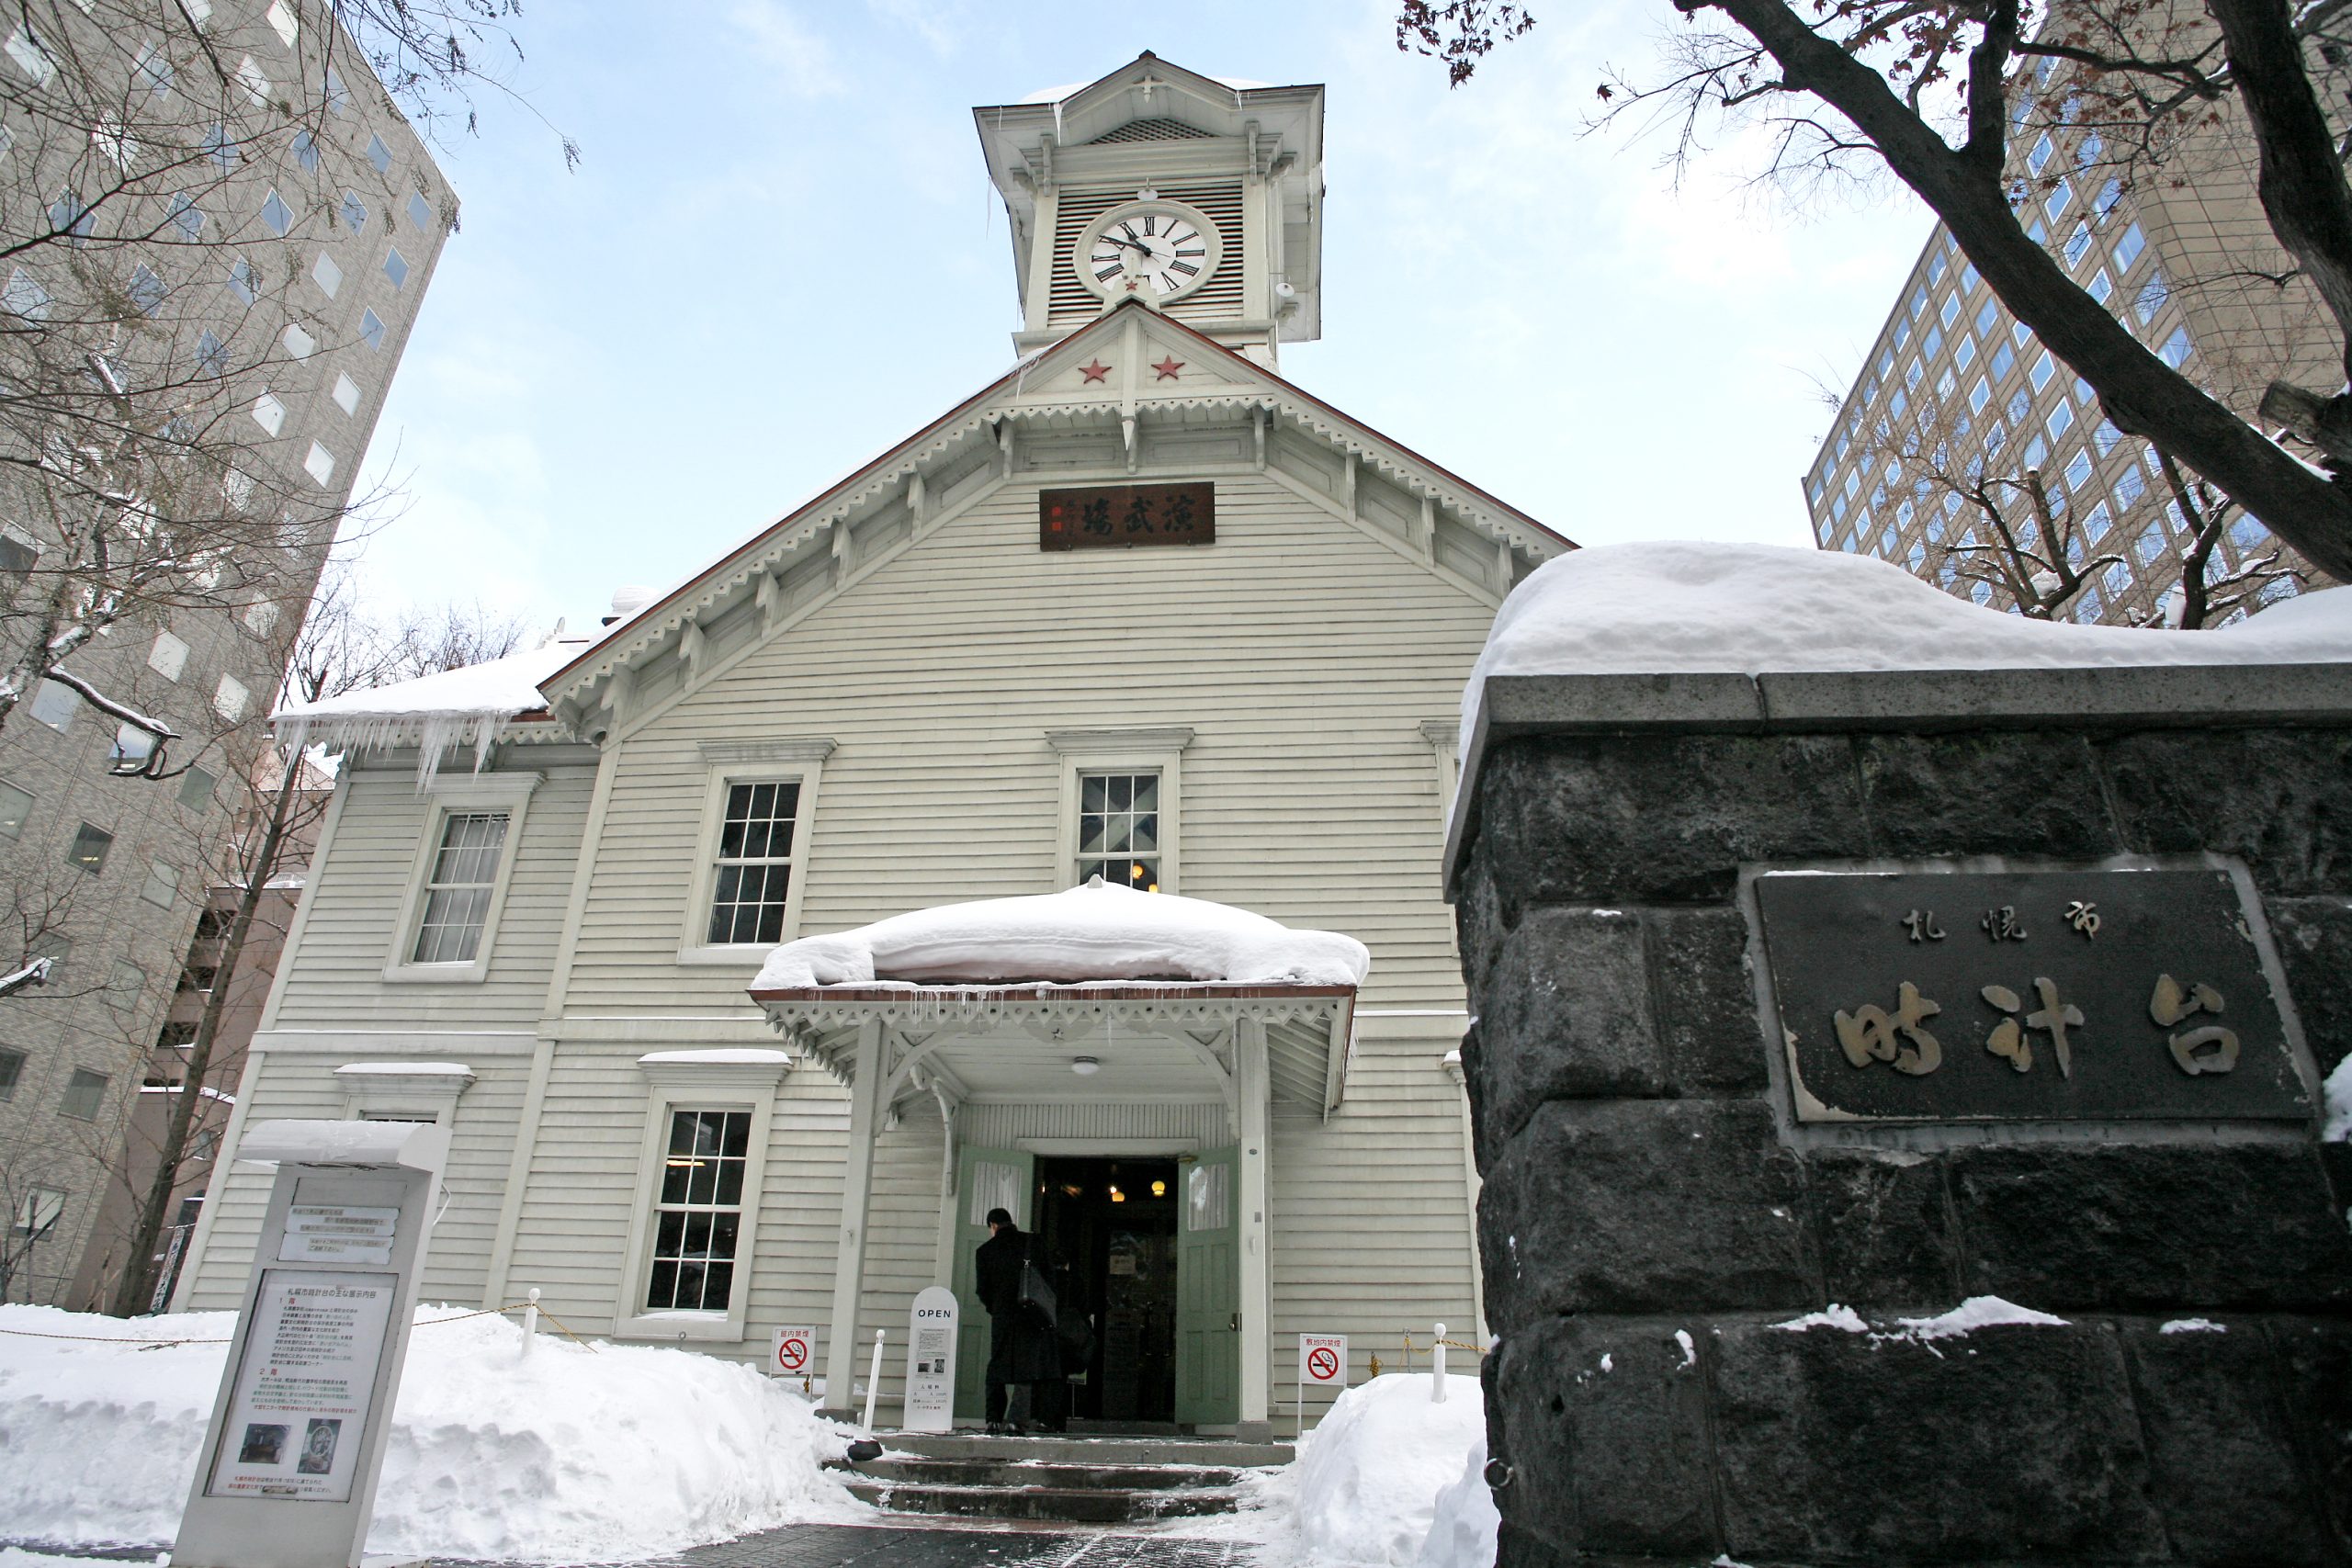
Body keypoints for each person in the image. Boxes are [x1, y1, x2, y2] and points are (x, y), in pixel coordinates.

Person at [975, 1207, 1058, 1433]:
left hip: (1002, 1316)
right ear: (1011, 1222)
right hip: (1031, 1314)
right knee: (1026, 1366)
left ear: (992, 1225)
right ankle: (1016, 1419)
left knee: (997, 1365)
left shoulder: (985, 1251)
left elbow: (982, 1290)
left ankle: (993, 1418)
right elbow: (1049, 1279)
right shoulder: (1033, 1243)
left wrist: (996, 1308)